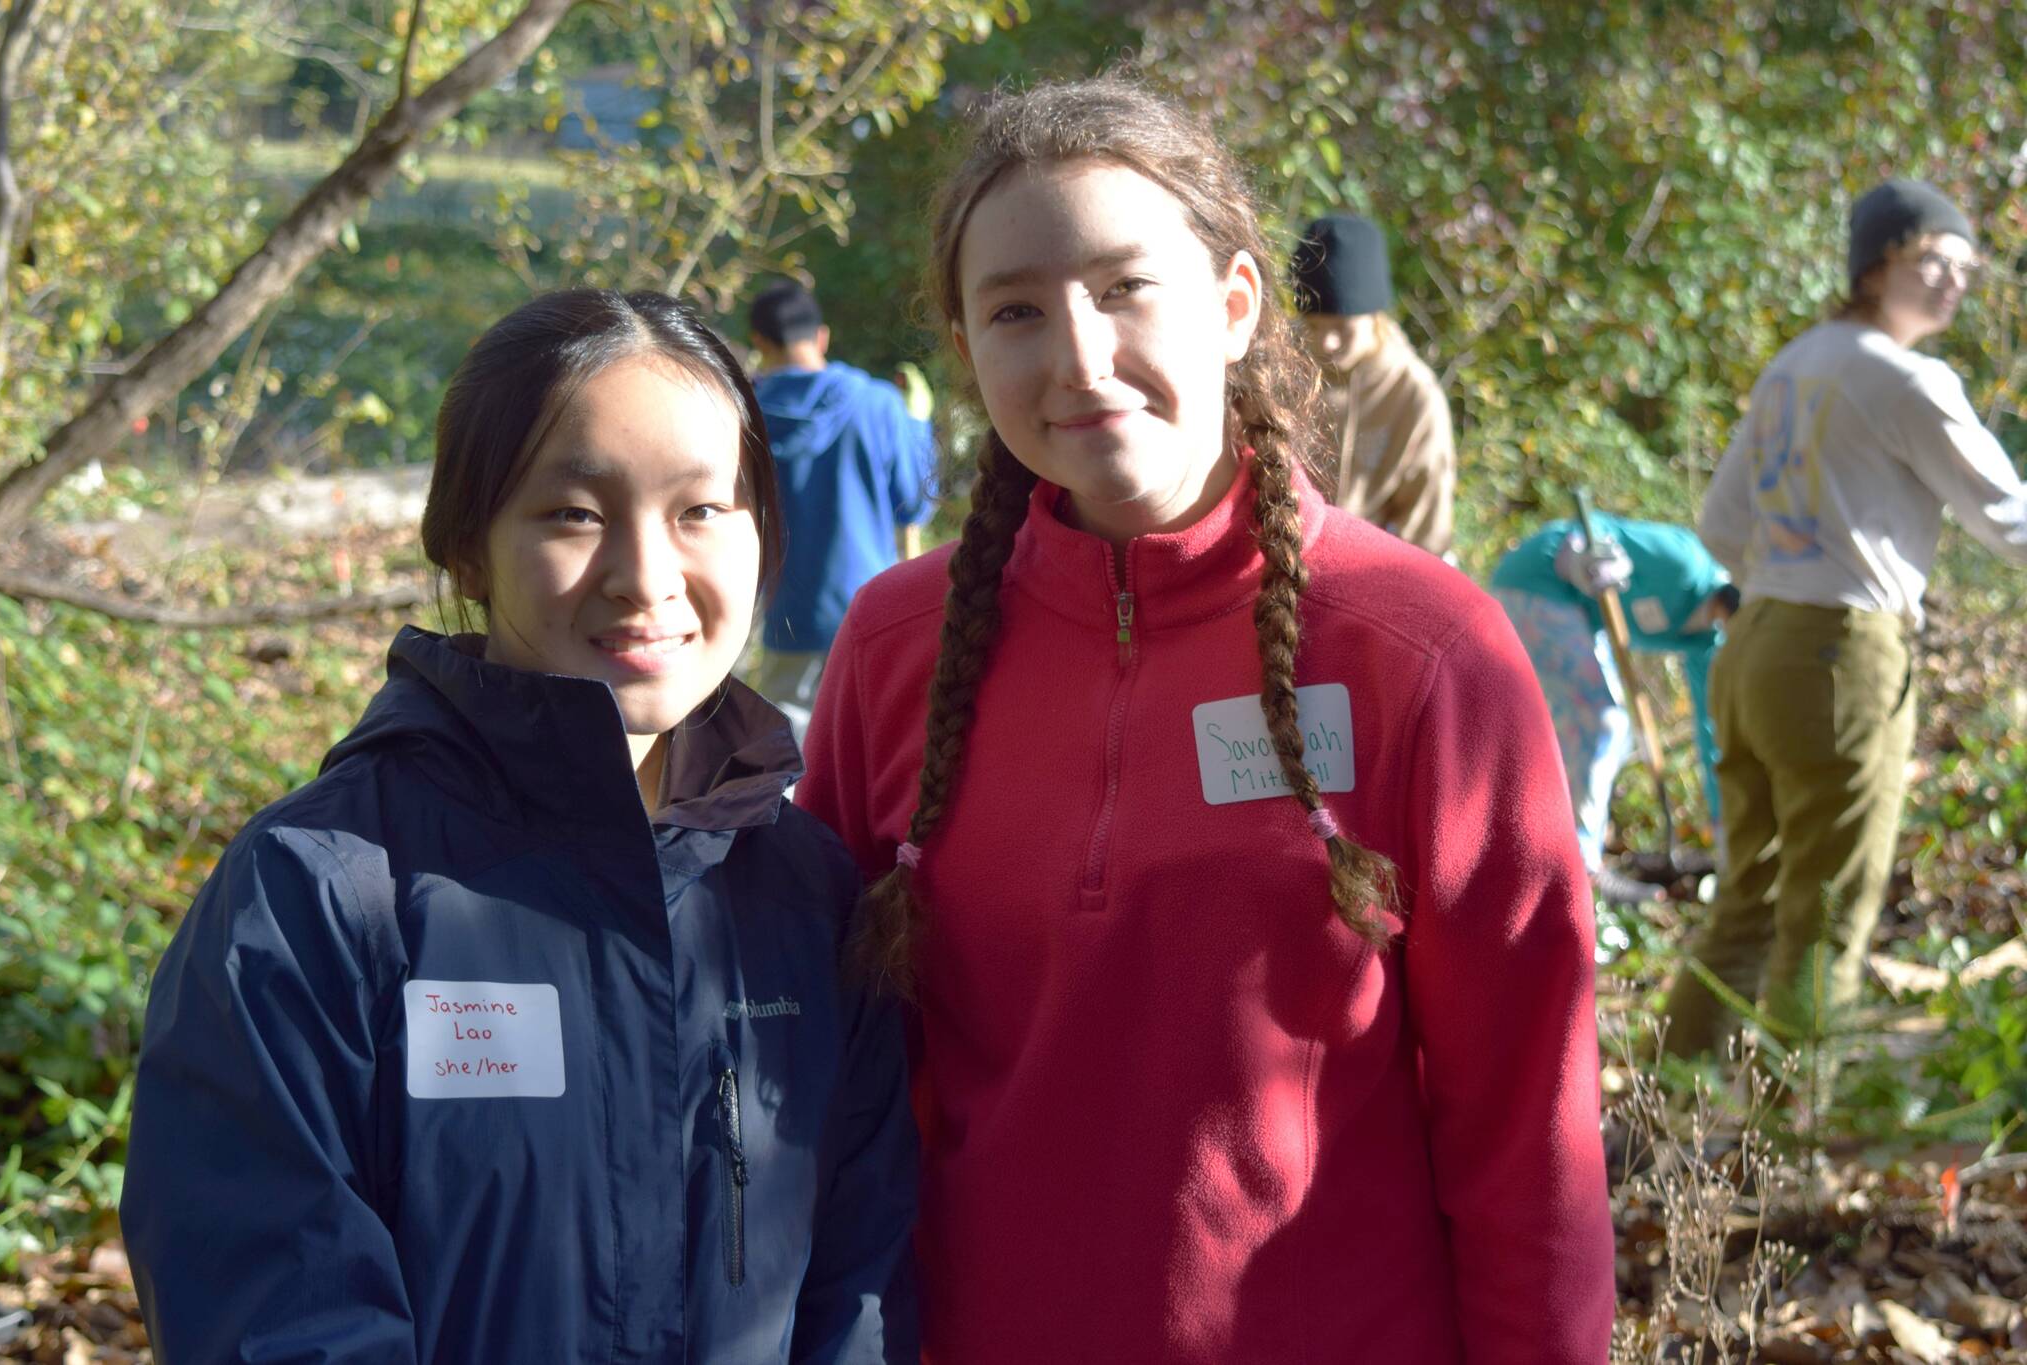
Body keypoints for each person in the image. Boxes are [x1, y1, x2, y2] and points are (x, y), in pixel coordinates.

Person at [797, 76, 1614, 1363]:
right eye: (1015, 309)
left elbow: (1528, 1133)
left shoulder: (1424, 653)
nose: (1078, 355)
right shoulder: (892, 650)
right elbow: (827, 1087)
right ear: (964, 350)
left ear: (1234, 306)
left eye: (1125, 288)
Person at [121, 290, 919, 1364]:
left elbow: (857, 1297)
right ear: (466, 550)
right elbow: (273, 1314)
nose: (646, 579)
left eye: (700, 511)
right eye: (573, 515)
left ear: (762, 534)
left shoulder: (806, 896)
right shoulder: (318, 898)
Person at [1666, 180, 2027, 1059]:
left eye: (1963, 265)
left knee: (1748, 890)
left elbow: (1718, 525)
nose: (1951, 280)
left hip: (1754, 641)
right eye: (1930, 257)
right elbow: (2007, 520)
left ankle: (1668, 1107)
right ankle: (1794, 1140)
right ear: (1877, 264)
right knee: (1829, 902)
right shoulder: (1909, 380)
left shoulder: (1798, 361)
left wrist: (1787, 571)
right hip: (1839, 650)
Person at [1490, 515, 1738, 900]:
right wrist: (1583, 555)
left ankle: (1547, 842)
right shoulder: (1685, 562)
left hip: (1582, 618)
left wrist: (1726, 830)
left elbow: (1713, 731)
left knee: (1612, 736)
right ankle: (1578, 868)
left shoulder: (1709, 640)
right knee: (1600, 723)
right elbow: (1592, 528)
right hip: (1537, 583)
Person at [747, 280, 933, 743]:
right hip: (875, 610)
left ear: (760, 342)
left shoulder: (741, 413)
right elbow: (914, 505)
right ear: (822, 336)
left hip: (789, 616)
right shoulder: (878, 403)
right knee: (878, 753)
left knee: (786, 769)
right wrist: (917, 425)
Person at [1289, 213, 1457, 557]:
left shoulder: (1413, 395)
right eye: (1314, 326)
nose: (1327, 343)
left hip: (1363, 575)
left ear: (1374, 316)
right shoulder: (1279, 362)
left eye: (1341, 327)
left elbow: (1427, 527)